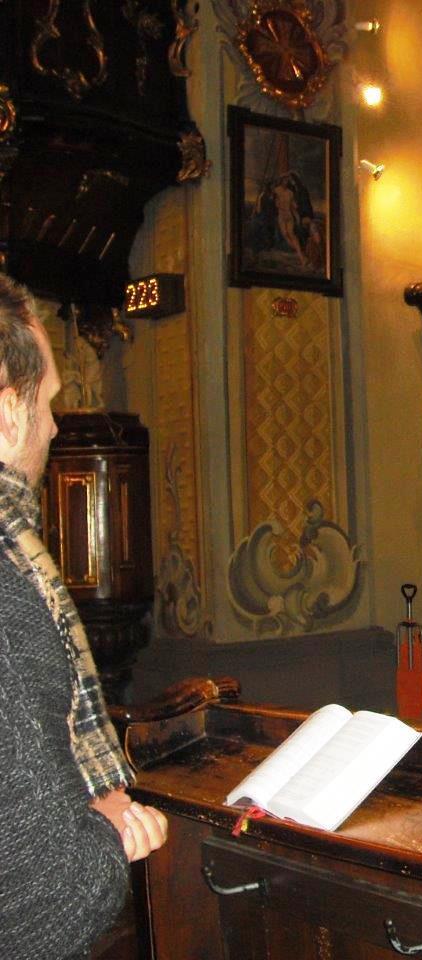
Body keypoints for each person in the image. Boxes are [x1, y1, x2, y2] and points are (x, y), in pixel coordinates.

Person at [0, 275, 168, 958]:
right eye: (48, 402)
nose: (53, 425)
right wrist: (109, 831)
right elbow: (41, 898)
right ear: (8, 414)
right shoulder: (9, 601)